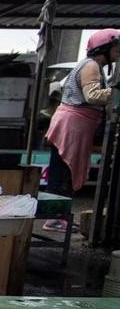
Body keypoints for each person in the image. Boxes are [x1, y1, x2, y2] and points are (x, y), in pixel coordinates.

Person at [44, 28, 118, 207]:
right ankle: (55, 216)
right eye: (116, 49)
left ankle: (58, 214)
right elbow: (92, 95)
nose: (118, 54)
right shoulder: (91, 66)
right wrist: (116, 92)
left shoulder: (93, 65)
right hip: (73, 125)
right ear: (104, 48)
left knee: (63, 170)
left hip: (74, 125)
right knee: (65, 172)